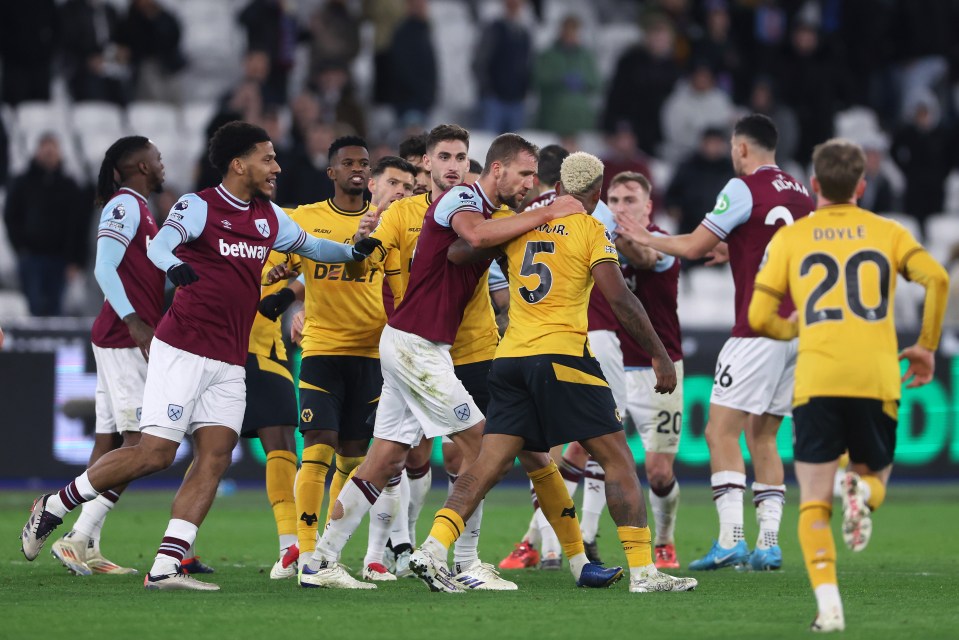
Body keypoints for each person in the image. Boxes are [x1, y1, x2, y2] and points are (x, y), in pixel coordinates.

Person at [20, 121, 382, 591]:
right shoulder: (199, 206)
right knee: (155, 453)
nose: (277, 166)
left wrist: (356, 250)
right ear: (238, 164)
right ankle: (54, 505)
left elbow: (315, 248)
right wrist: (175, 266)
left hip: (230, 360)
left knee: (214, 455)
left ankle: (167, 565)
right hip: (183, 348)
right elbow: (160, 246)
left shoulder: (270, 218)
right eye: (267, 158)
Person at [296, 132, 590, 590]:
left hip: (415, 345)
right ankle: (464, 563)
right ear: (497, 169)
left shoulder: (495, 213)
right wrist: (549, 211)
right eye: (525, 173)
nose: (531, 183)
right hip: (416, 347)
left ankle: (318, 562)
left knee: (383, 459)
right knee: (484, 451)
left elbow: (465, 250)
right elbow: (471, 236)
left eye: (535, 176)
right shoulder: (461, 198)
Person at [409, 152, 696, 595]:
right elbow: (620, 298)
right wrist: (658, 354)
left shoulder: (521, 222)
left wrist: (511, 233)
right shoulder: (589, 227)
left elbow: (460, 251)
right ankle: (644, 572)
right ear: (598, 192)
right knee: (617, 458)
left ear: (558, 184)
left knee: (488, 462)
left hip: (509, 361)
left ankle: (431, 547)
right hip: (562, 358)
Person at [748, 138, 949, 632]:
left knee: (814, 503)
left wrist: (796, 329)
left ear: (814, 185)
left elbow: (759, 315)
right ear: (862, 185)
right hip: (876, 377)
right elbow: (939, 279)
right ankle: (861, 491)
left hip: (816, 379)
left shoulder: (793, 238)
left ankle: (829, 607)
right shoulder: (888, 231)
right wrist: (924, 346)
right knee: (874, 478)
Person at [614, 114, 814, 572]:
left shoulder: (742, 187)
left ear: (742, 149)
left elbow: (692, 245)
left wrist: (645, 237)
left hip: (757, 329)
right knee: (763, 435)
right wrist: (737, 247)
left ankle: (730, 540)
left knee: (719, 432)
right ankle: (768, 545)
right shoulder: (801, 192)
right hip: (797, 332)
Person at [49, 137, 166, 576]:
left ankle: (87, 544)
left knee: (109, 441)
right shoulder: (126, 205)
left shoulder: (142, 208)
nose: (162, 163)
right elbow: (103, 267)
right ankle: (75, 533)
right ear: (139, 166)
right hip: (123, 338)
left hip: (117, 336)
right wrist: (136, 321)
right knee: (140, 445)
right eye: (157, 158)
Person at [609, 171, 684, 570]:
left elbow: (645, 258)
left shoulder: (664, 242)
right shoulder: (597, 236)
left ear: (648, 206)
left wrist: (617, 237)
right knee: (581, 457)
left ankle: (666, 539)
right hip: (612, 365)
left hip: (661, 367)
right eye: (615, 201)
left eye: (630, 200)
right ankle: (553, 543)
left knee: (657, 472)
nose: (621, 208)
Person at [239, 248, 303, 580]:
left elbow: (324, 269)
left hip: (250, 349)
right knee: (280, 445)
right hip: (248, 350)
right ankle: (292, 549)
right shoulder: (213, 225)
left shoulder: (284, 229)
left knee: (213, 452)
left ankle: (179, 552)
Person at [4, 134, 90, 316]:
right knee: (33, 308)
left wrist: (76, 260)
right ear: (37, 152)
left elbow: (78, 226)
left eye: (53, 149)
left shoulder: (69, 186)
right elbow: (11, 217)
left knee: (55, 308)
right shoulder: (22, 183)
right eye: (45, 148)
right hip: (31, 257)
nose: (49, 153)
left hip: (60, 259)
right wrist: (20, 247)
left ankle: (52, 344)